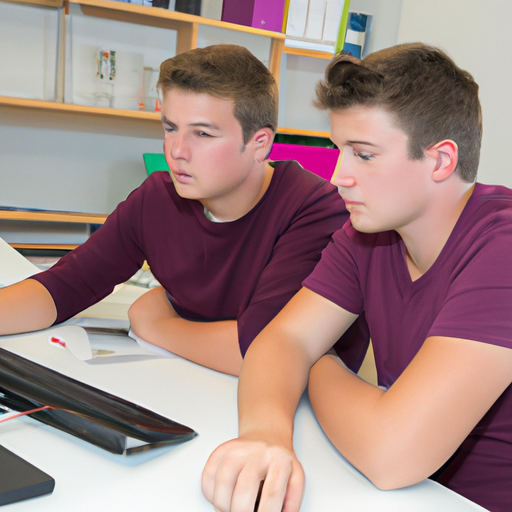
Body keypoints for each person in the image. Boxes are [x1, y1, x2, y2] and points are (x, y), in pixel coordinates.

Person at [201, 43, 512, 512]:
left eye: (363, 155)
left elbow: (392, 454)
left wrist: (319, 362)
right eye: (338, 150)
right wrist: (266, 435)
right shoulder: (368, 232)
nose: (339, 176)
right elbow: (280, 341)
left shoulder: (502, 248)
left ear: (441, 161)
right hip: (390, 491)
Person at [0, 44, 353, 376]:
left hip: (286, 411)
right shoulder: (158, 198)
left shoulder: (315, 209)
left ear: (259, 143)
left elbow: (264, 352)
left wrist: (157, 324)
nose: (177, 151)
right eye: (170, 127)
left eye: (202, 134)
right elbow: (65, 286)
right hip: (187, 382)